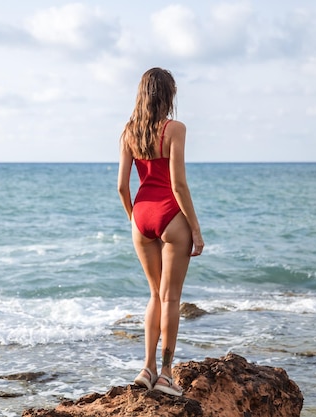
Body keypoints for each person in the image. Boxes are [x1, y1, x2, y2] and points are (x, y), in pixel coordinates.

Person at [117, 67, 204, 397]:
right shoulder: (175, 129)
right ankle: (166, 375)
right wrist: (195, 230)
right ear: (168, 95)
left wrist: (134, 220)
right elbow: (179, 185)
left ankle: (146, 368)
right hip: (170, 215)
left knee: (154, 295)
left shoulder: (129, 131)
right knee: (171, 297)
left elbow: (122, 186)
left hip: (142, 216)